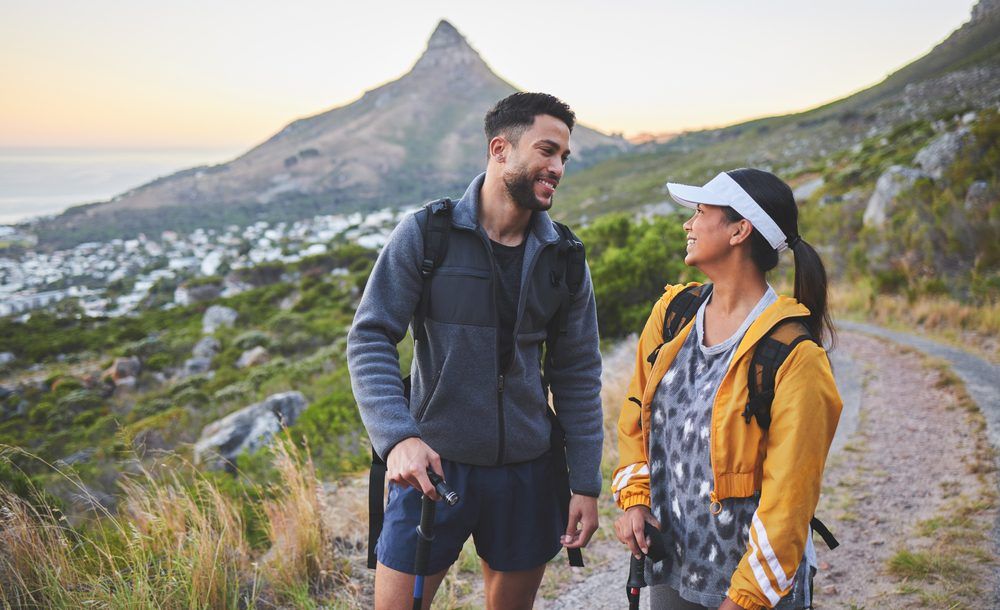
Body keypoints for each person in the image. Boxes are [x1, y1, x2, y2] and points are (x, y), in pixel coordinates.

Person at [347, 92, 603, 610]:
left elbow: (577, 374)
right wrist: (397, 439)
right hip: (432, 470)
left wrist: (585, 482)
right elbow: (370, 336)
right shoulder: (427, 235)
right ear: (500, 149)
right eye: (547, 151)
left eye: (563, 158)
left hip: (527, 473)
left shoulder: (565, 259)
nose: (556, 168)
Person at [612, 168, 842, 610]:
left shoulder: (795, 355)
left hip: (747, 586)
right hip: (670, 567)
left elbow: (790, 499)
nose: (689, 224)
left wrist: (746, 599)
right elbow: (636, 415)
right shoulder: (672, 313)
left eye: (700, 212)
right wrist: (635, 500)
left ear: (740, 230)